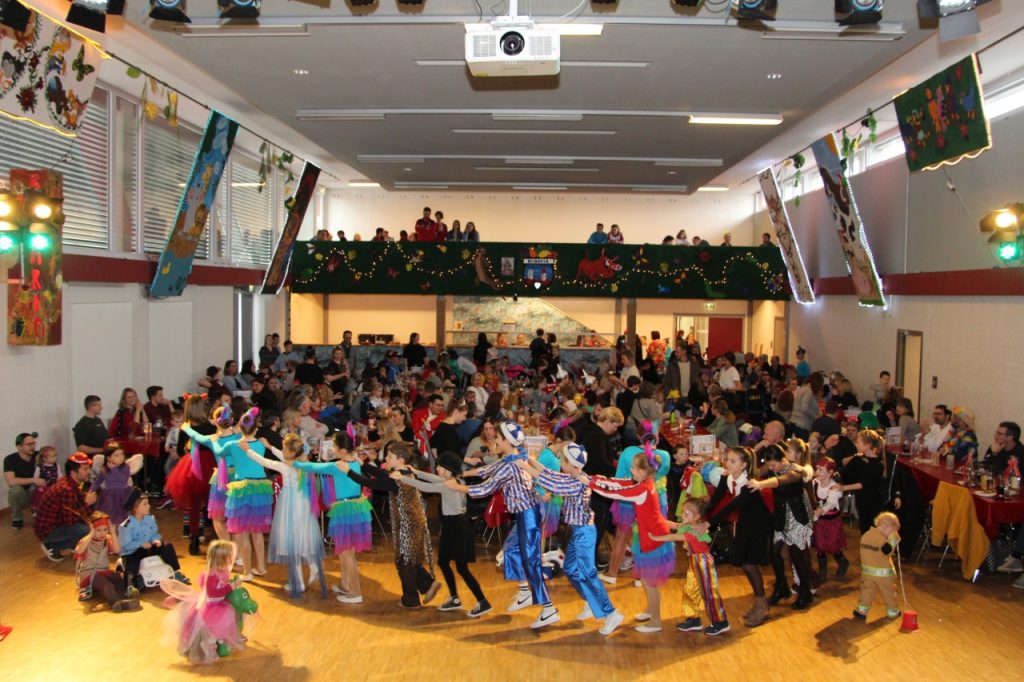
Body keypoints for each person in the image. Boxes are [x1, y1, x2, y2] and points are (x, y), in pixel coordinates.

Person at [452, 421, 558, 629]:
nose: (495, 441)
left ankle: (548, 609)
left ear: (507, 441)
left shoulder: (510, 465)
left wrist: (456, 487)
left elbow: (485, 488)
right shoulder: (515, 456)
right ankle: (525, 592)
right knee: (510, 550)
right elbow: (491, 468)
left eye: (498, 439)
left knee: (531, 562)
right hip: (526, 514)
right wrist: (464, 474)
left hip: (529, 515)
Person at [518, 442, 625, 636]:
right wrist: (529, 461)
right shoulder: (574, 476)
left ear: (571, 464)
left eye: (563, 460)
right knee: (570, 569)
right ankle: (590, 602)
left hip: (585, 533)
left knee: (588, 573)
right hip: (579, 532)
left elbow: (551, 483)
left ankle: (611, 613)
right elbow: (552, 475)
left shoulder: (576, 483)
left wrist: (523, 465)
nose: (560, 462)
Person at [395, 451, 491, 617]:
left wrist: (402, 478)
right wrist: (416, 472)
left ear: (448, 470)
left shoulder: (449, 485)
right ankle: (454, 598)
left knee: (462, 568)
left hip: (457, 528)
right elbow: (433, 478)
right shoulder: (453, 480)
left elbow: (427, 487)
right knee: (443, 562)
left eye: (440, 466)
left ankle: (482, 601)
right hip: (451, 526)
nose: (437, 469)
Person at [589, 451, 676, 634]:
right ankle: (650, 610)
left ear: (643, 472)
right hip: (649, 535)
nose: (631, 469)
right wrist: (592, 478)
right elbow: (618, 484)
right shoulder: (645, 483)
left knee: (650, 582)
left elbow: (615, 492)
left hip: (653, 538)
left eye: (634, 467)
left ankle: (656, 621)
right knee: (645, 578)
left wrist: (589, 483)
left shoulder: (643, 489)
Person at [347, 441, 442, 608]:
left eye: (390, 456)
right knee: (408, 559)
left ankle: (411, 600)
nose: (386, 459)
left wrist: (347, 471)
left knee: (405, 562)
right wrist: (363, 464)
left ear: (400, 459)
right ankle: (427, 584)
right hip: (413, 522)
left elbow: (369, 482)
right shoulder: (404, 472)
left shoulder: (396, 480)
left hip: (409, 525)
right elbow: (382, 473)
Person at [240, 435, 327, 598]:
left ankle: (298, 583)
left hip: (290, 506)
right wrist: (270, 447)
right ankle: (313, 566)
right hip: (303, 505)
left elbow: (265, 462)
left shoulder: (285, 466)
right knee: (302, 538)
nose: (282, 450)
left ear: (291, 452)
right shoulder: (302, 463)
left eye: (284, 448)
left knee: (291, 543)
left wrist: (247, 450)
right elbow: (282, 456)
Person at [294, 430, 370, 605]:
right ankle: (345, 585)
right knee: (344, 551)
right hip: (355, 508)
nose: (332, 449)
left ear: (342, 450)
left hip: (345, 510)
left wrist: (295, 463)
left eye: (334, 446)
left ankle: (356, 592)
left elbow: (313, 468)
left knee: (347, 553)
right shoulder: (355, 461)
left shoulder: (338, 466)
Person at [706, 447, 774, 627]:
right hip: (744, 522)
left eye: (733, 461)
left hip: (759, 526)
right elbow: (715, 501)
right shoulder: (727, 477)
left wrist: (707, 523)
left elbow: (731, 506)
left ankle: (762, 606)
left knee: (750, 565)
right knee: (744, 564)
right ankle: (761, 603)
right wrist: (701, 516)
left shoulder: (749, 484)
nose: (727, 463)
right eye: (727, 459)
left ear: (744, 465)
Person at [748, 443, 816, 611]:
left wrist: (760, 484)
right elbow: (757, 472)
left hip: (798, 515)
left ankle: (806, 592)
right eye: (769, 465)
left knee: (797, 555)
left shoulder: (795, 471)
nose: (771, 468)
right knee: (774, 551)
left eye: (773, 465)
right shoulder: (772, 466)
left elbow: (780, 481)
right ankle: (781, 587)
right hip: (781, 514)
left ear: (782, 459)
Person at [650, 498, 730, 636]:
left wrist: (655, 538)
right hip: (694, 561)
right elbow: (674, 524)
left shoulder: (695, 531)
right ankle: (693, 618)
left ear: (697, 517)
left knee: (709, 593)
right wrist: (656, 519)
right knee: (690, 589)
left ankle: (720, 622)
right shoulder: (689, 525)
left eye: (687, 513)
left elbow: (674, 537)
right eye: (683, 512)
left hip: (704, 563)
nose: (683, 515)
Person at [165, 540, 250, 663]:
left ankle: (228, 639)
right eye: (229, 556)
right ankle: (208, 645)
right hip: (213, 606)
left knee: (233, 617)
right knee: (213, 630)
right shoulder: (212, 575)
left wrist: (232, 584)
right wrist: (230, 587)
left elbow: (222, 586)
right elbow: (213, 593)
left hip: (221, 602)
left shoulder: (222, 570)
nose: (232, 559)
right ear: (221, 559)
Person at [119, 487, 188, 588]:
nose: (149, 506)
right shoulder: (126, 525)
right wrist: (140, 544)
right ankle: (134, 578)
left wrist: (156, 539)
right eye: (145, 504)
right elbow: (125, 546)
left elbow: (154, 534)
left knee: (167, 546)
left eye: (148, 503)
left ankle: (175, 572)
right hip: (134, 551)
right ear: (135, 508)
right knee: (130, 559)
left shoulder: (150, 519)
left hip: (149, 548)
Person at [35, 452, 96, 561]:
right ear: (74, 472)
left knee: (89, 522)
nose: (88, 472)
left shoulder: (70, 483)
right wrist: (86, 504)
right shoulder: (66, 489)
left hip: (56, 523)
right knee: (84, 530)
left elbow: (78, 505)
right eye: (85, 469)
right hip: (48, 530)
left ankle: (74, 543)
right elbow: (70, 520)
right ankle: (52, 545)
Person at [74, 511, 140, 612]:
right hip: (90, 574)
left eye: (105, 529)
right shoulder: (86, 541)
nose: (103, 533)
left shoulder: (106, 539)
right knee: (107, 585)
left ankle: (128, 598)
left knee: (124, 578)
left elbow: (117, 550)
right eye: (98, 530)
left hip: (104, 572)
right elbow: (79, 550)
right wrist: (91, 534)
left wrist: (112, 532)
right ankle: (114, 602)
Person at [853, 512, 902, 621]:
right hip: (883, 576)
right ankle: (893, 611)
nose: (891, 534)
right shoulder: (882, 540)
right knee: (889, 593)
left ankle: (861, 611)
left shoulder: (865, 536)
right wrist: (893, 540)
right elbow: (887, 551)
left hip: (867, 574)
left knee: (867, 592)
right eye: (892, 531)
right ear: (886, 526)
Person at [839, 429, 886, 534]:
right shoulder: (858, 459)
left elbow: (863, 484)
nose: (856, 444)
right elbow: (843, 472)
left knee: (873, 529)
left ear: (868, 445)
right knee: (864, 527)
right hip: (861, 499)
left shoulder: (879, 465)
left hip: (873, 501)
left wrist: (843, 488)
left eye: (858, 442)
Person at [812, 457, 849, 580]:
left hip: (832, 522)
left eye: (821, 470)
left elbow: (831, 503)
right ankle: (822, 571)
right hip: (819, 522)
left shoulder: (835, 487)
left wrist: (820, 511)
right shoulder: (814, 483)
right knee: (819, 546)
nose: (817, 472)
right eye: (817, 469)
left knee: (833, 545)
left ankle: (843, 562)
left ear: (830, 472)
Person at [90, 443, 144, 526]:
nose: (121, 457)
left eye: (122, 454)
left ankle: (125, 530)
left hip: (123, 494)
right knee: (110, 517)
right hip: (109, 496)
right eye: (117, 455)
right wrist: (91, 490)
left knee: (125, 516)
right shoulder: (105, 469)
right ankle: (112, 530)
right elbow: (98, 480)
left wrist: (113, 469)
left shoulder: (125, 467)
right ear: (109, 458)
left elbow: (123, 479)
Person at [5, 432, 42, 530]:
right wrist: (33, 480)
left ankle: (40, 514)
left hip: (37, 490)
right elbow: (11, 481)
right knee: (14, 491)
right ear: (19, 447)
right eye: (29, 444)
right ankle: (17, 518)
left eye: (34, 443)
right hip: (23, 494)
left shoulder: (38, 456)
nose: (33, 447)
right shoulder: (10, 459)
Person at [30, 445, 60, 513]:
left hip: (53, 487)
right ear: (44, 459)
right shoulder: (39, 467)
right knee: (40, 498)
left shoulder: (56, 466)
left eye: (55, 456)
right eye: (52, 457)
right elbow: (36, 478)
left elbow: (59, 475)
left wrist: (59, 482)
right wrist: (39, 484)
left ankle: (53, 512)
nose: (55, 458)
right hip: (43, 488)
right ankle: (36, 513)